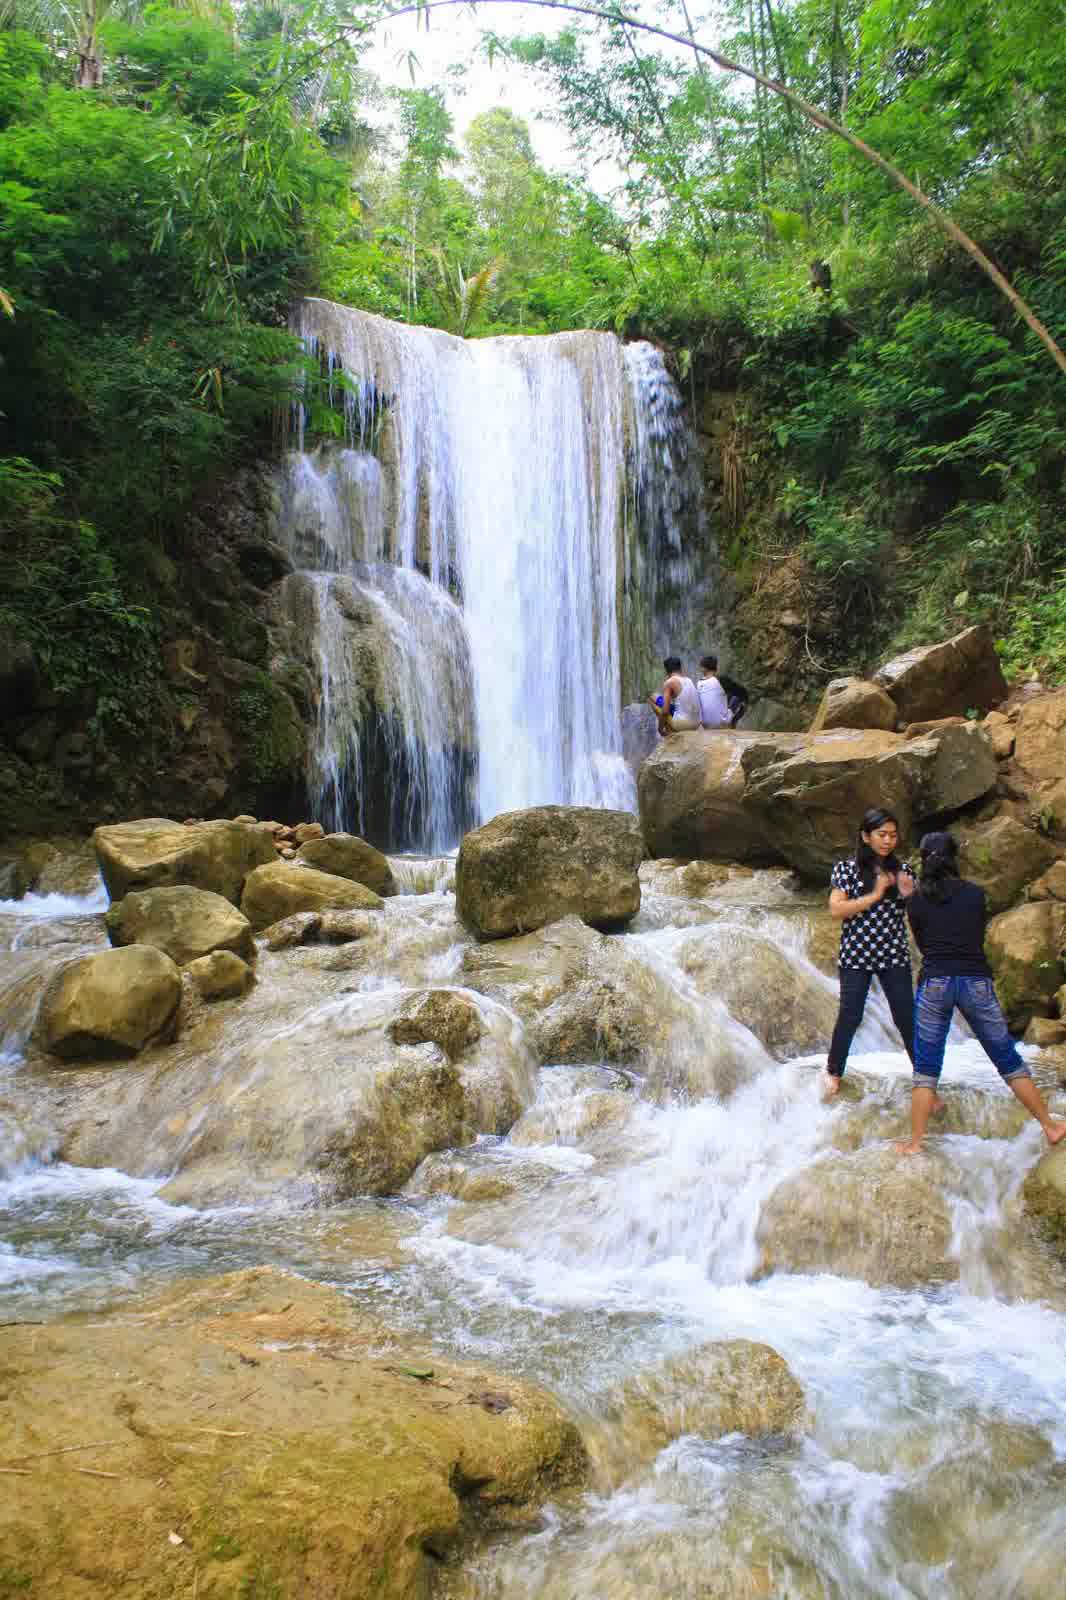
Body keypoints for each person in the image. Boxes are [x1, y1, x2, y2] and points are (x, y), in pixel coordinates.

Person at [895, 831, 1066, 1154]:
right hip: (975, 981)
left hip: (935, 983)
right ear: (953, 859)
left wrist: (908, 897)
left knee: (926, 1068)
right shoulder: (975, 895)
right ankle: (1050, 1126)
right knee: (1007, 1059)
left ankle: (915, 1143)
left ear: (923, 860)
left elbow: (925, 946)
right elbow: (972, 936)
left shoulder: (916, 901)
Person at [823, 807, 918, 1099]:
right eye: (881, 835)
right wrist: (875, 895)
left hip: (893, 954)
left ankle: (924, 1077)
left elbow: (917, 912)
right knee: (850, 1015)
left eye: (892, 835)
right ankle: (834, 1071)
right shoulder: (846, 869)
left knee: (905, 1016)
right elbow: (836, 909)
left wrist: (910, 893)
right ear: (866, 837)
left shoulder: (903, 871)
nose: (888, 841)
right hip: (856, 955)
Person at [649, 656, 701, 736]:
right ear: (680, 668)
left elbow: (665, 712)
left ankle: (669, 732)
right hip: (697, 723)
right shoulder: (688, 680)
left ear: (666, 670)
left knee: (652, 698)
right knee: (656, 696)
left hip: (683, 724)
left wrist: (660, 729)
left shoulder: (670, 682)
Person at [697, 654, 731, 728]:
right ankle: (731, 723)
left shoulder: (699, 683)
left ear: (704, 668)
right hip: (722, 723)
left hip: (705, 724)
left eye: (701, 666)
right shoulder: (721, 680)